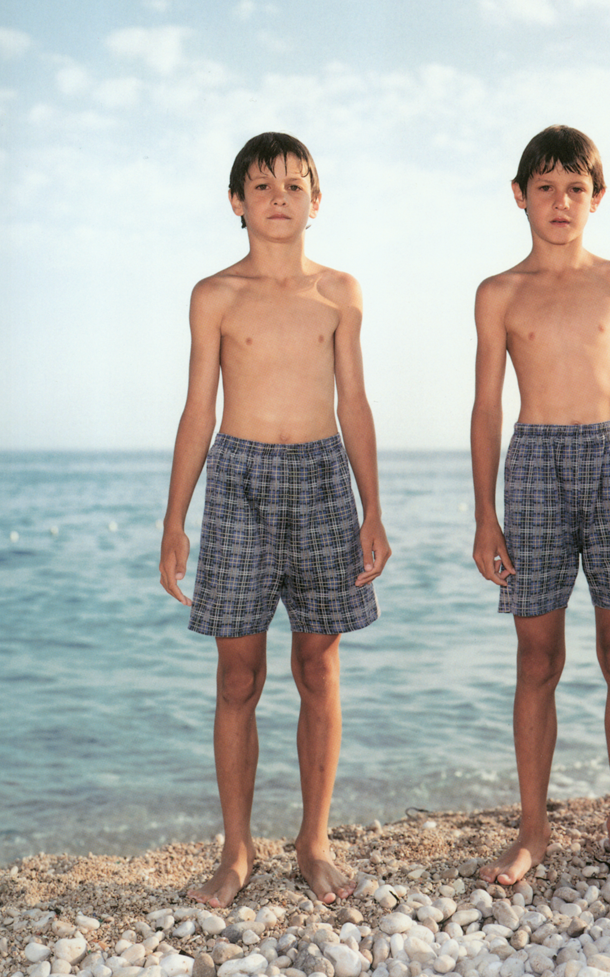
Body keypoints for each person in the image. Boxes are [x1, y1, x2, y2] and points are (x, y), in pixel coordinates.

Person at [159, 132, 390, 908]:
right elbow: (198, 409)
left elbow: (355, 402)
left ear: (316, 201)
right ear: (238, 201)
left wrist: (373, 508)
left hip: (323, 477)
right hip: (239, 481)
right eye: (262, 186)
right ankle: (237, 850)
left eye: (294, 185)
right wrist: (175, 519)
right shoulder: (215, 295)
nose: (279, 198)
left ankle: (313, 842)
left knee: (318, 667)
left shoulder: (340, 292)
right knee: (238, 675)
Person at [471, 125, 610, 888]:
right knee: (537, 655)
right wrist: (485, 515)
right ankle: (533, 830)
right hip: (534, 463)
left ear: (597, 198)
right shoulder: (499, 293)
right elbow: (487, 408)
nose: (561, 202)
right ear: (520, 195)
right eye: (546, 187)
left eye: (576, 189)